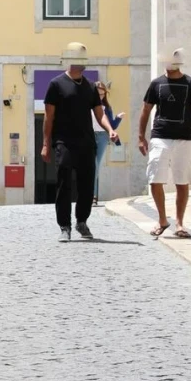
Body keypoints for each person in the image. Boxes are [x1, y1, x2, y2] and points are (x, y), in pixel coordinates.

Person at [42, 43, 120, 241]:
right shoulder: (56, 84)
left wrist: (110, 129)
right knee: (64, 183)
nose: (82, 65)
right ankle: (64, 226)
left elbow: (99, 114)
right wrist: (45, 144)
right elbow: (48, 117)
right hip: (63, 142)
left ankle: (82, 222)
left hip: (86, 142)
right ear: (69, 62)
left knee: (86, 184)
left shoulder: (90, 86)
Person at [137, 48, 191, 239]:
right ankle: (162, 220)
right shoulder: (156, 84)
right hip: (160, 136)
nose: (167, 65)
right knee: (155, 179)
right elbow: (145, 110)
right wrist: (141, 136)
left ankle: (179, 223)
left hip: (183, 139)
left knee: (182, 181)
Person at [92, 80, 124, 205]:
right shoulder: (87, 105)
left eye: (102, 94)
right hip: (89, 135)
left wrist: (118, 118)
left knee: (95, 165)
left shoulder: (106, 108)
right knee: (91, 165)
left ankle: (92, 196)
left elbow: (112, 126)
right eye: (98, 94)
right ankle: (90, 194)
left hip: (102, 136)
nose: (100, 96)